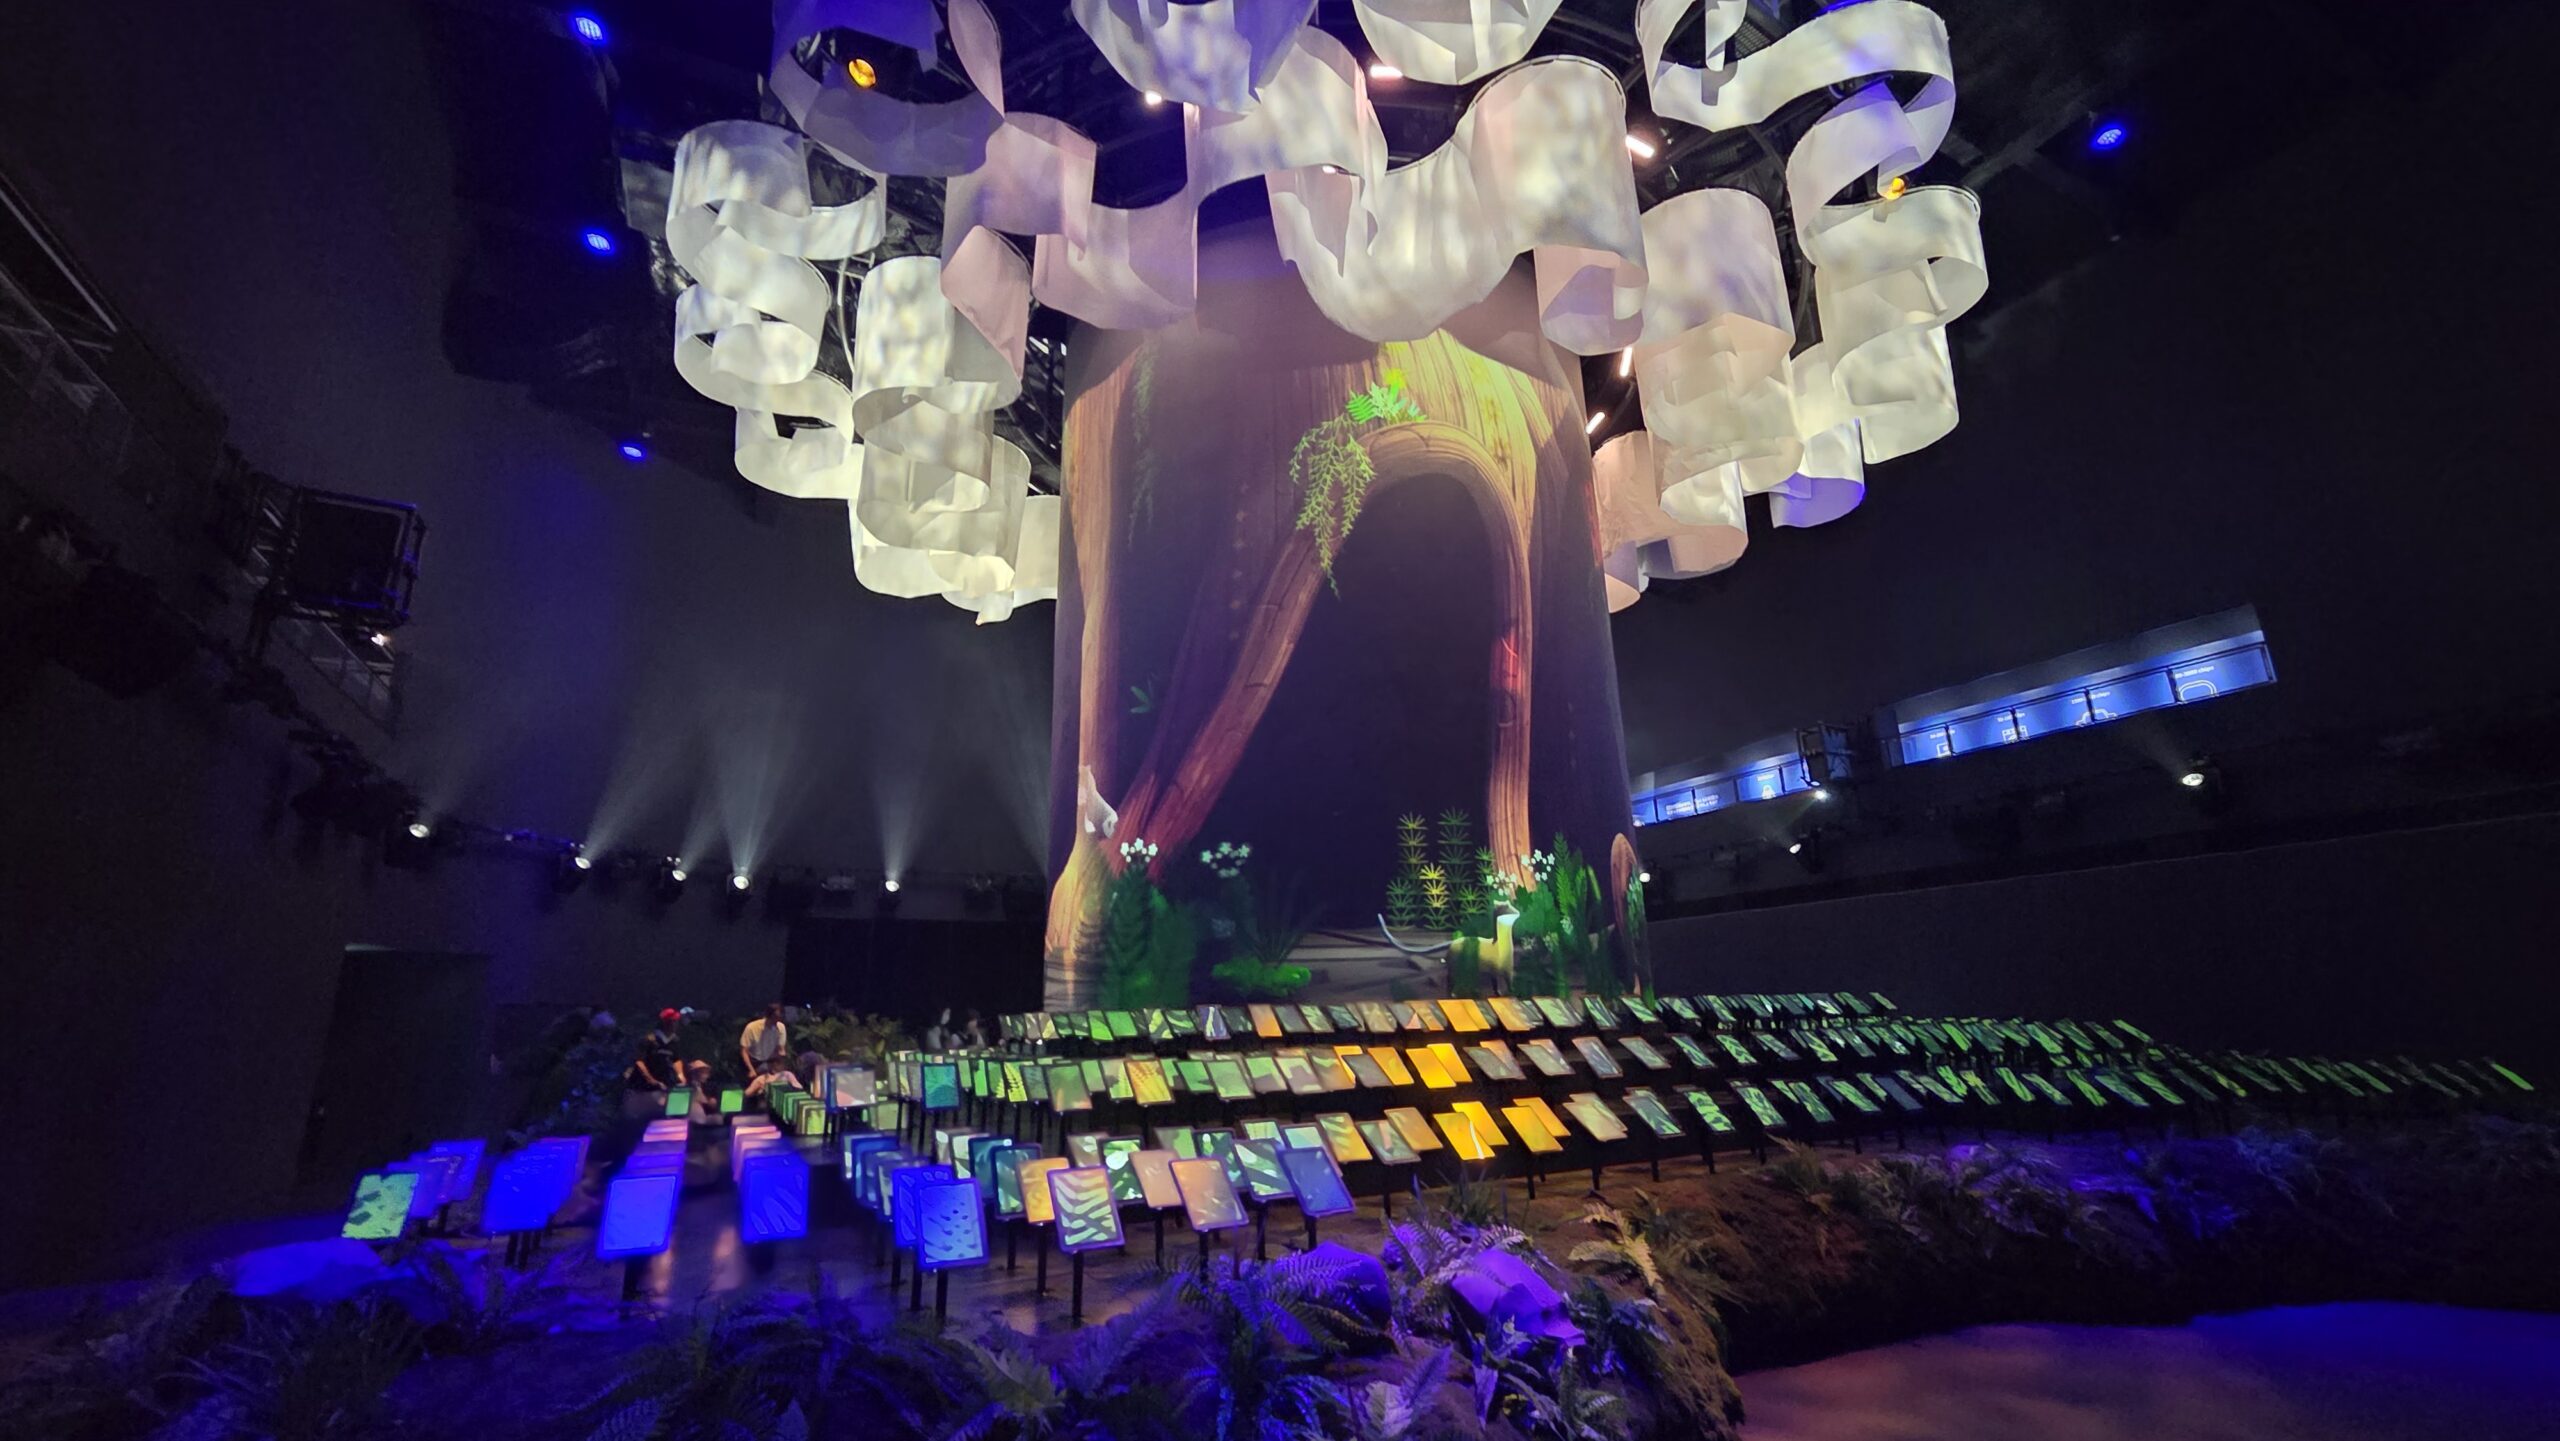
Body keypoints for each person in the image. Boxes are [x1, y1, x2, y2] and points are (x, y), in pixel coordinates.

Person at [740, 1002, 789, 1079]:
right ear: (768, 1016)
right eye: (775, 1018)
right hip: (754, 1061)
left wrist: (781, 1056)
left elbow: (780, 1048)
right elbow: (744, 1051)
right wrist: (751, 1069)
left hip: (770, 1061)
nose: (776, 1021)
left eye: (779, 1018)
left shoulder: (781, 1027)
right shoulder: (752, 1027)